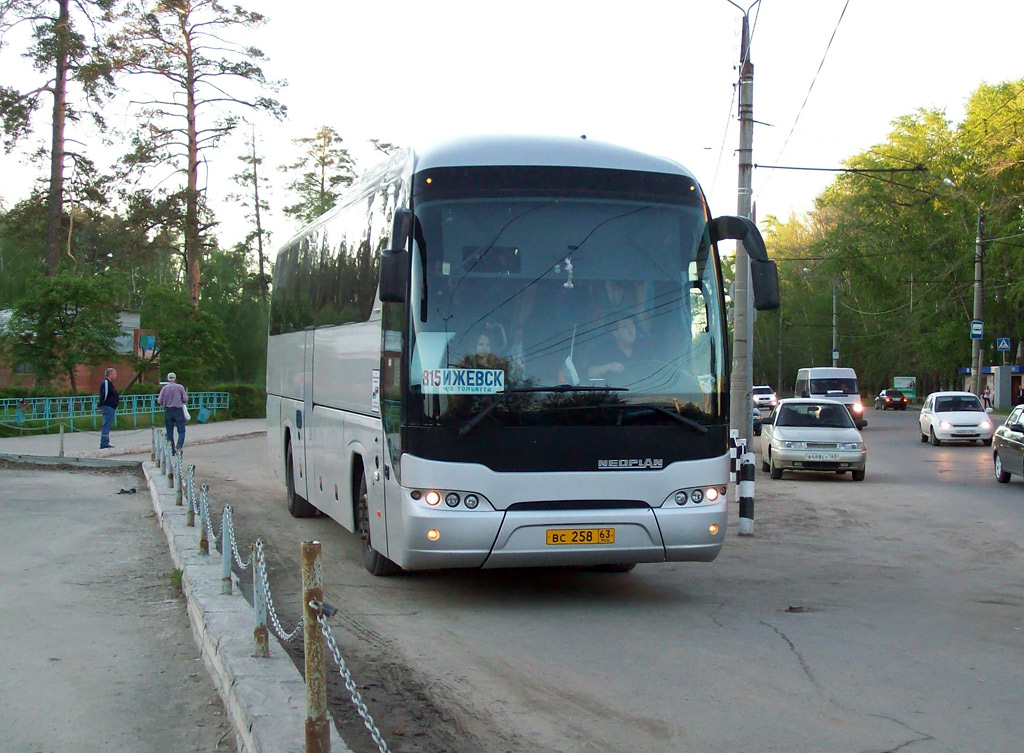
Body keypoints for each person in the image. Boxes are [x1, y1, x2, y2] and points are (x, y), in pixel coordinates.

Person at [586, 315, 643, 382]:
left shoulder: (643, 349)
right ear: (615, 333)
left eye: (632, 327)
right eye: (625, 327)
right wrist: (609, 367)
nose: (631, 331)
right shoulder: (604, 351)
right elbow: (591, 373)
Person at [157, 372, 188, 454]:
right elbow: (185, 399)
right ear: (175, 378)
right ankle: (179, 444)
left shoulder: (164, 388)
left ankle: (172, 451)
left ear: (168, 378)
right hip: (178, 410)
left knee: (169, 431)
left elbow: (159, 400)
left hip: (168, 410)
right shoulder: (180, 387)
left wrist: (165, 403)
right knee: (181, 430)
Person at [98, 367, 120, 449]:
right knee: (106, 424)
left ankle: (105, 441)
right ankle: (104, 443)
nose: (116, 376)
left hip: (111, 406)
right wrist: (101, 403)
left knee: (108, 424)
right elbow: (105, 393)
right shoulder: (106, 382)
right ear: (110, 374)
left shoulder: (109, 383)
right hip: (108, 406)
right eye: (114, 374)